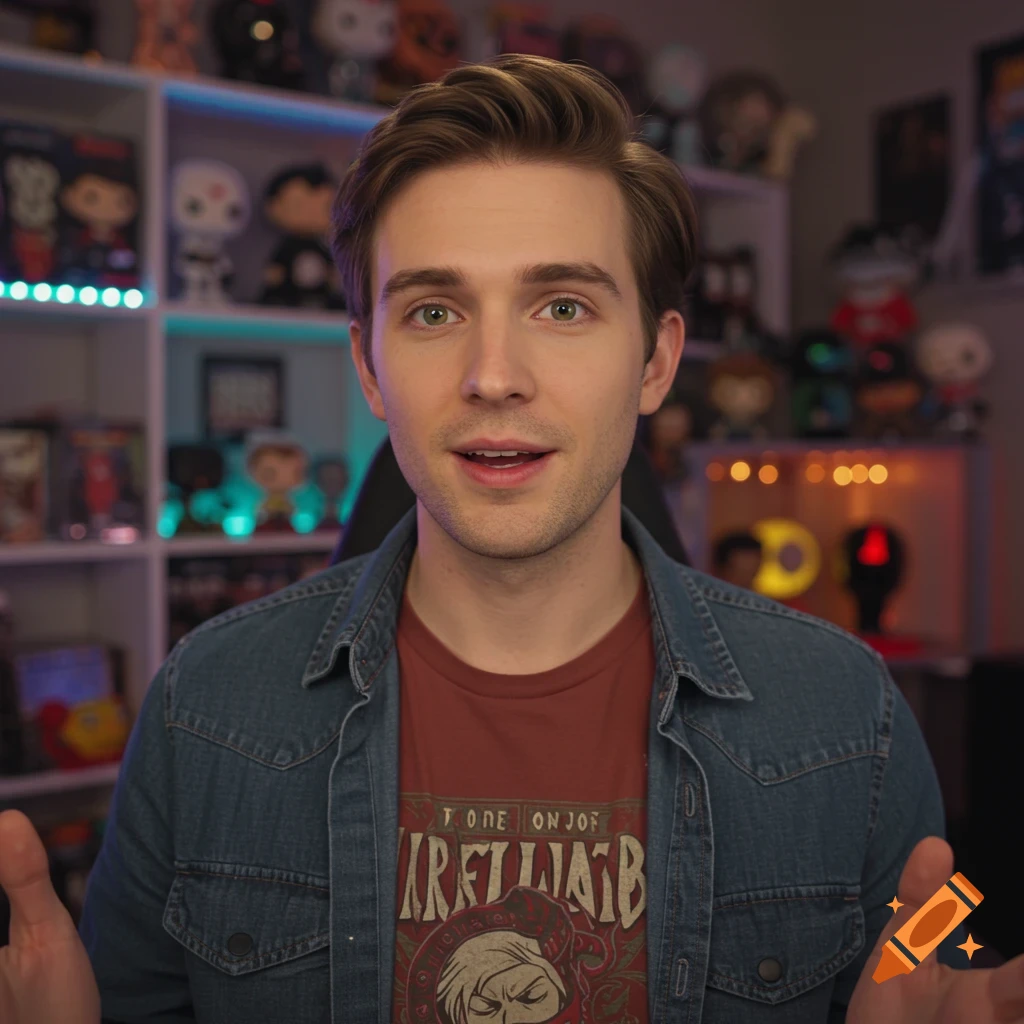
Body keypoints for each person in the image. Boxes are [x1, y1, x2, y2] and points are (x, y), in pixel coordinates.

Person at [1, 54, 1023, 1024]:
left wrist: (958, 982)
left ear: (656, 360)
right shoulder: (203, 708)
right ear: (369, 366)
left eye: (563, 305)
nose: (494, 373)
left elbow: (935, 952)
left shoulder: (851, 715)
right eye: (436, 310)